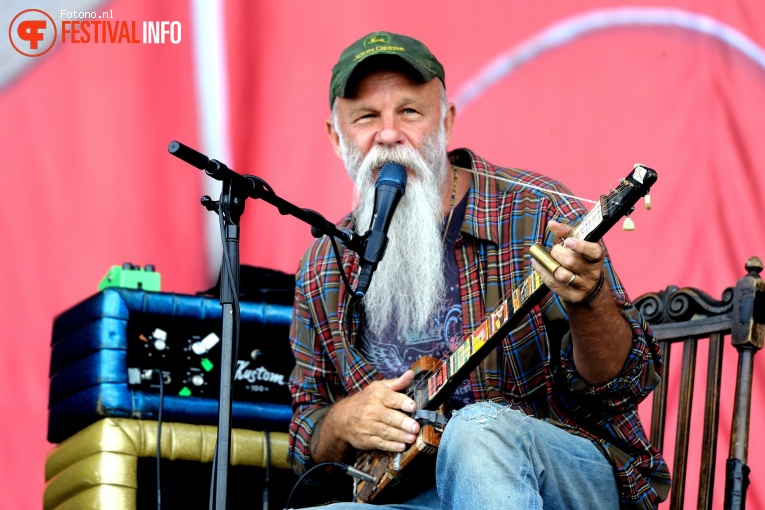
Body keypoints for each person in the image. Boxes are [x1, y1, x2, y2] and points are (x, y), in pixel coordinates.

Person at [287, 31, 669, 509]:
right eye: (366, 117)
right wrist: (343, 421)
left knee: (474, 431)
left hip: (567, 482)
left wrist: (589, 304)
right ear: (335, 138)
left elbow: (625, 383)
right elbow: (306, 433)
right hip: (413, 496)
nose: (388, 134)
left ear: (445, 121)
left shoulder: (534, 210)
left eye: (409, 112)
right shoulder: (324, 265)